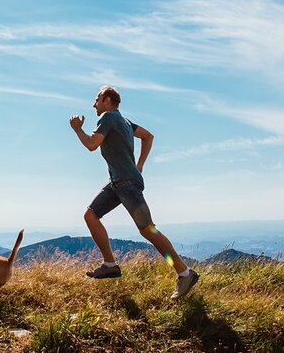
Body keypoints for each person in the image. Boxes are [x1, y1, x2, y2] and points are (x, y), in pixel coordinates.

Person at [69, 85, 199, 299]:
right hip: (119, 183)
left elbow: (92, 144)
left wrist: (77, 129)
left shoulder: (108, 118)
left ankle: (184, 273)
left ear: (107, 100)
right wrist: (139, 166)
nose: (94, 104)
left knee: (148, 230)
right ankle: (110, 264)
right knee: (90, 215)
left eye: (97, 99)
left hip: (126, 183)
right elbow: (148, 136)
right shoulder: (126, 122)